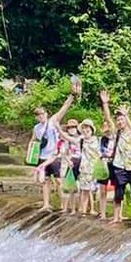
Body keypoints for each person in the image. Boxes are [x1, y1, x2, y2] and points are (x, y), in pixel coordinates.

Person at [30, 79, 78, 212]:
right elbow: (34, 141)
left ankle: (64, 205)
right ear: (36, 117)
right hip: (42, 156)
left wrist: (72, 96)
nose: (41, 117)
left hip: (54, 156)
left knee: (58, 181)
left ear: (46, 114)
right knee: (45, 181)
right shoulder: (36, 128)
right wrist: (31, 154)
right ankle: (46, 204)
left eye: (42, 114)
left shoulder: (52, 121)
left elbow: (64, 108)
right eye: (38, 115)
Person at [101, 92, 131, 225]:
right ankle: (116, 216)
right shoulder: (117, 133)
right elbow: (108, 120)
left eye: (122, 120)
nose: (119, 122)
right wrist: (105, 104)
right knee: (118, 193)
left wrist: (126, 115)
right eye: (118, 120)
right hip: (120, 166)